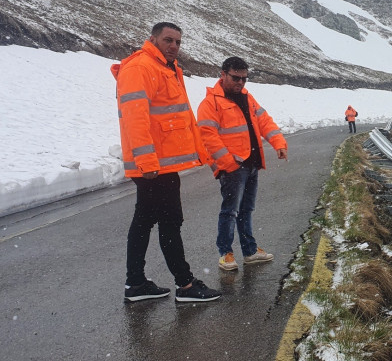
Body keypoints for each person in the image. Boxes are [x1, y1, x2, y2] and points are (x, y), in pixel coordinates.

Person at [112, 22, 221, 303]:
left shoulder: (167, 69)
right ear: (153, 39)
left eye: (178, 42)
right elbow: (136, 119)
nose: (173, 46)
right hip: (154, 167)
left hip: (161, 166)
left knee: (145, 220)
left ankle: (135, 284)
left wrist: (203, 155)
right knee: (169, 221)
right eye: (168, 40)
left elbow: (181, 117)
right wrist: (147, 162)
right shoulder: (141, 68)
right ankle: (184, 285)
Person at [197, 57, 288, 271]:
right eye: (235, 78)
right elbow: (207, 136)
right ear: (223, 74)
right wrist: (228, 163)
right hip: (233, 168)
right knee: (230, 211)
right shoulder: (211, 103)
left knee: (246, 209)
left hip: (252, 164)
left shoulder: (248, 98)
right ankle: (225, 254)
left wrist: (278, 143)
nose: (240, 83)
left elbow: (265, 122)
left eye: (244, 79)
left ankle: (249, 251)